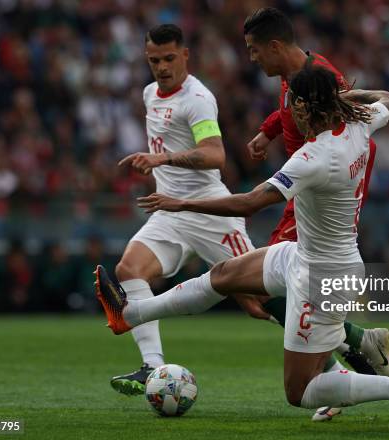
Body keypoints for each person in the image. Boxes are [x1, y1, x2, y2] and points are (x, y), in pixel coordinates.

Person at [95, 67, 389, 429]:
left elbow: (249, 203)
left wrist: (182, 203)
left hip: (322, 277)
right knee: (224, 275)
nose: (290, 113)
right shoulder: (359, 125)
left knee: (301, 391)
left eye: (292, 105)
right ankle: (129, 314)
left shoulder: (314, 157)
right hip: (306, 255)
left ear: (302, 108)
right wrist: (348, 100)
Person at [241, 8, 389, 418]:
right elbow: (296, 111)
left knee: (262, 289)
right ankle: (340, 366)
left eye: (255, 50)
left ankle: (356, 348)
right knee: (271, 290)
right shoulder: (294, 79)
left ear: (275, 47)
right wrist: (269, 129)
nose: (252, 59)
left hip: (313, 189)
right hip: (305, 185)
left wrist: (349, 193)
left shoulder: (324, 75)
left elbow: (356, 134)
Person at [107, 24, 255, 396]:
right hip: (170, 212)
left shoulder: (197, 99)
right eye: (154, 60)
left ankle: (338, 359)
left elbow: (215, 155)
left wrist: (163, 158)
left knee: (260, 302)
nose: (162, 67)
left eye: (170, 58)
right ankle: (152, 366)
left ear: (185, 55)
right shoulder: (149, 94)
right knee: (129, 269)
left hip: (210, 212)